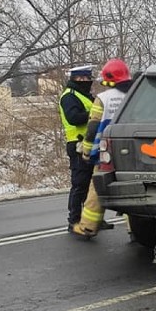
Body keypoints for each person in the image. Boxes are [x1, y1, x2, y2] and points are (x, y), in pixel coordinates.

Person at [70, 59, 133, 239]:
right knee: (130, 189)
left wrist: (87, 152)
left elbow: (92, 129)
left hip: (108, 153)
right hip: (130, 151)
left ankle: (88, 227)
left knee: (97, 188)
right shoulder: (135, 96)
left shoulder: (103, 99)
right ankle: (134, 228)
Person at [58, 65, 96, 231]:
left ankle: (90, 219)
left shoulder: (85, 95)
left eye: (89, 78)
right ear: (78, 79)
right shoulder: (70, 96)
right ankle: (74, 220)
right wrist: (94, 115)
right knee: (80, 184)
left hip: (90, 144)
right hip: (78, 144)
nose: (88, 81)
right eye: (86, 79)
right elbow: (73, 118)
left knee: (92, 185)